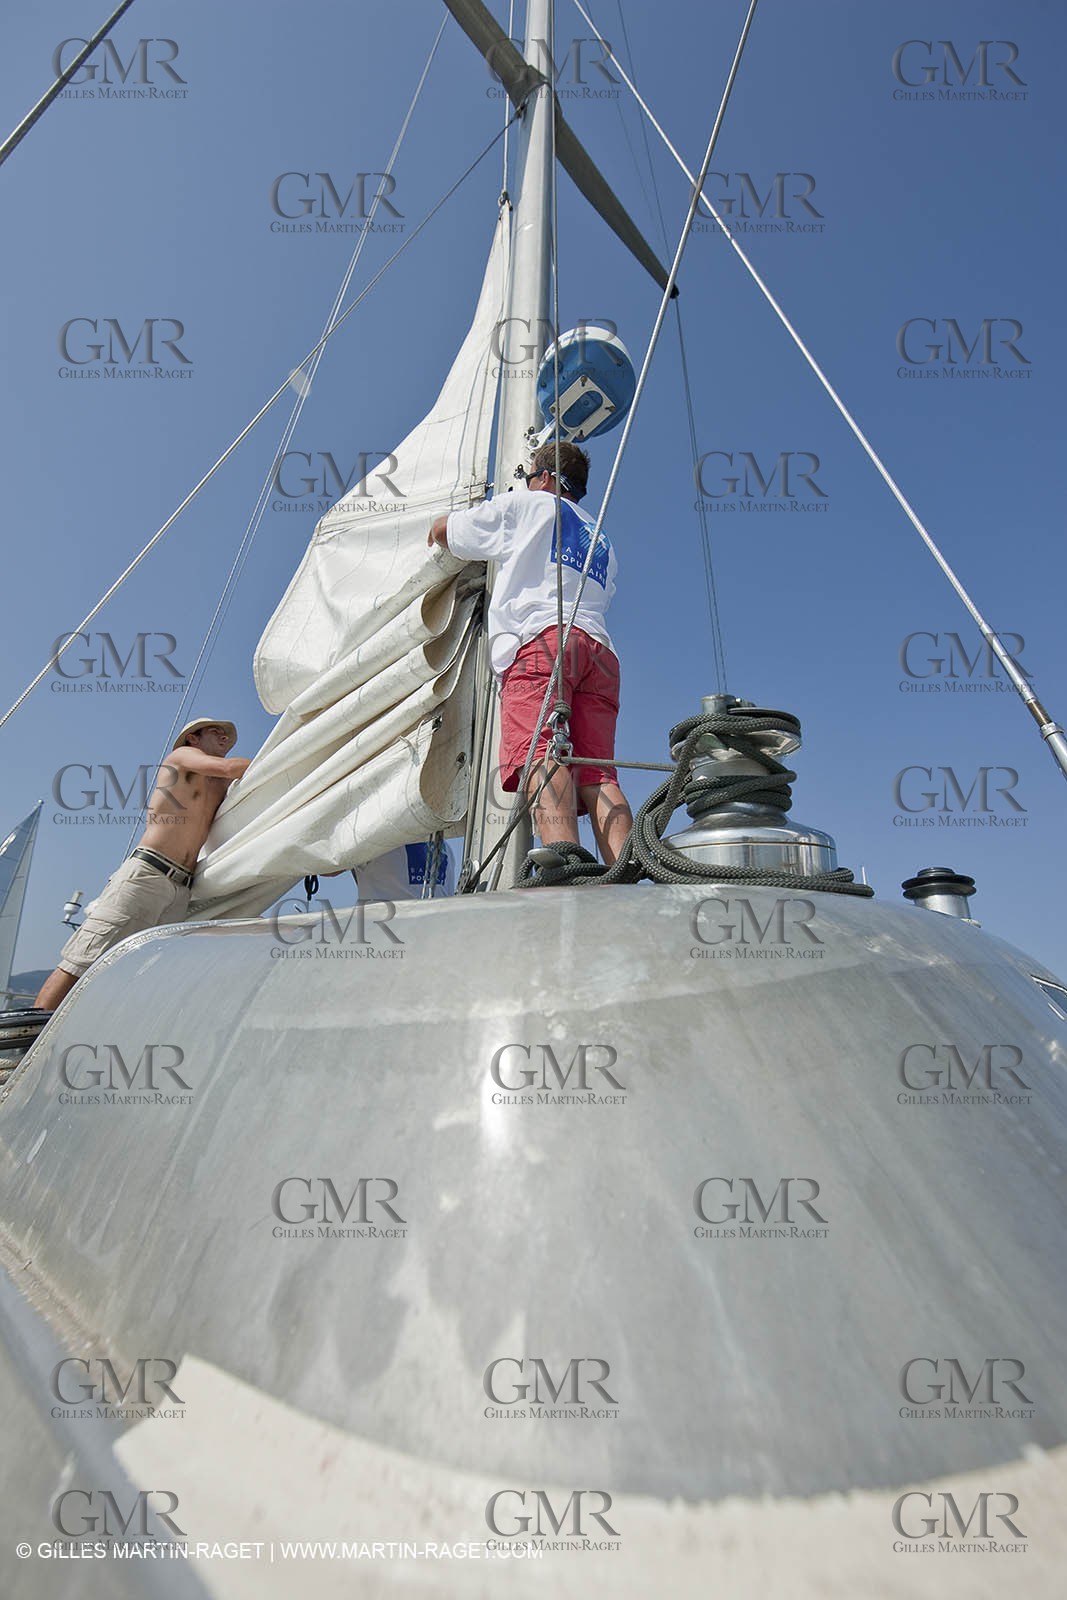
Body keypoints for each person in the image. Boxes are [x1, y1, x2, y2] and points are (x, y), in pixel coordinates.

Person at [428, 441, 632, 865]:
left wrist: (437, 524)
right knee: (598, 774)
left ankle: (565, 865)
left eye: (529, 477)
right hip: (601, 654)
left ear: (546, 478)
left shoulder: (528, 505)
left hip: (543, 644)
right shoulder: (603, 540)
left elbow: (448, 532)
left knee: (545, 753)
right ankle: (626, 873)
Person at [35, 719, 249, 1009]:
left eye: (226, 734)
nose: (224, 735)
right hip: (148, 874)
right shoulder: (182, 758)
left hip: (182, 889)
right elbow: (230, 768)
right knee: (81, 962)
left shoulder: (223, 785)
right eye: (215, 731)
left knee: (136, 976)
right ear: (192, 739)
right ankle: (22, 1047)